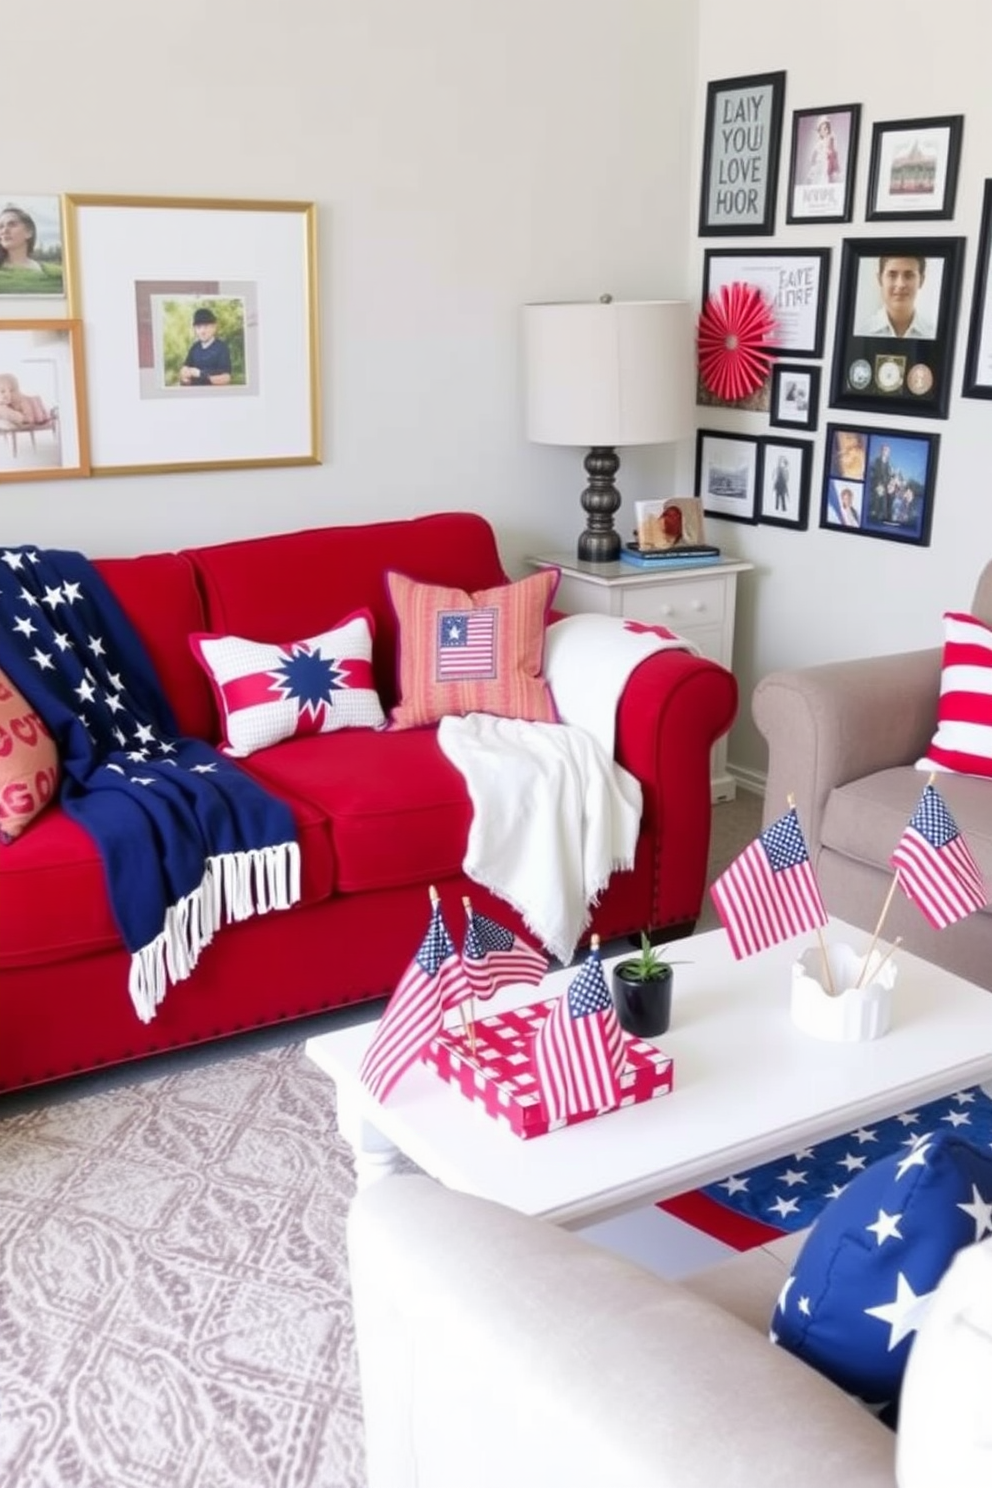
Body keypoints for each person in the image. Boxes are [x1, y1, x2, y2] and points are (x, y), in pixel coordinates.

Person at [854, 255, 935, 339]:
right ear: (880, 279)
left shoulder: (933, 334)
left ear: (921, 281)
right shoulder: (862, 332)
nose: (900, 284)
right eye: (892, 275)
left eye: (909, 275)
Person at [178, 307, 232, 387]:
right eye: (198, 327)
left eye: (206, 326)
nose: (202, 331)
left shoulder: (221, 348)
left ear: (214, 327)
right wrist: (184, 377)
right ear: (195, 329)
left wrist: (200, 374)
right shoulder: (194, 347)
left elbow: (226, 378)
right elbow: (185, 369)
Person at [0, 205, 43, 274]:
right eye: (1, 227)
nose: (4, 231)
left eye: (12, 225)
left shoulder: (42, 271)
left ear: (29, 232)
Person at [806, 116, 840, 185]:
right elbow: (814, 154)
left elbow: (833, 151)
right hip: (820, 162)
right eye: (824, 129)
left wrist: (830, 152)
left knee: (827, 175)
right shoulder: (819, 143)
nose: (826, 131)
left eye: (827, 128)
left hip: (828, 161)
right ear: (820, 131)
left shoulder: (830, 139)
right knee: (819, 176)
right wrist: (813, 161)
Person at [868, 442, 894, 522]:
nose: (886, 452)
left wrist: (892, 483)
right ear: (881, 451)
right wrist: (877, 486)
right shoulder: (874, 462)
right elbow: (870, 476)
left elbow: (890, 478)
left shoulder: (889, 466)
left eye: (888, 451)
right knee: (875, 512)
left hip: (886, 493)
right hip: (876, 492)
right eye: (884, 450)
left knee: (884, 512)